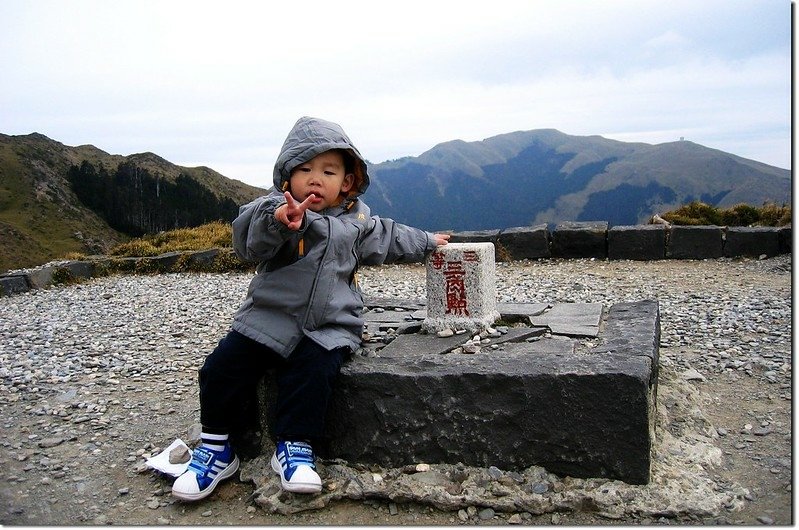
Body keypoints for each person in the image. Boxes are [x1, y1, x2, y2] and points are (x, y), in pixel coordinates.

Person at [172, 116, 450, 501]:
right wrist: (279, 222)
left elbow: (390, 236)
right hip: (268, 318)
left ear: (347, 182)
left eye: (328, 170)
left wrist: (427, 241)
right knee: (220, 369)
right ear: (287, 177)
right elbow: (246, 238)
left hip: (329, 323)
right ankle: (216, 449)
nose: (315, 178)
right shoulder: (274, 209)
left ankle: (294, 447)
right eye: (305, 169)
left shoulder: (359, 221)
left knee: (313, 372)